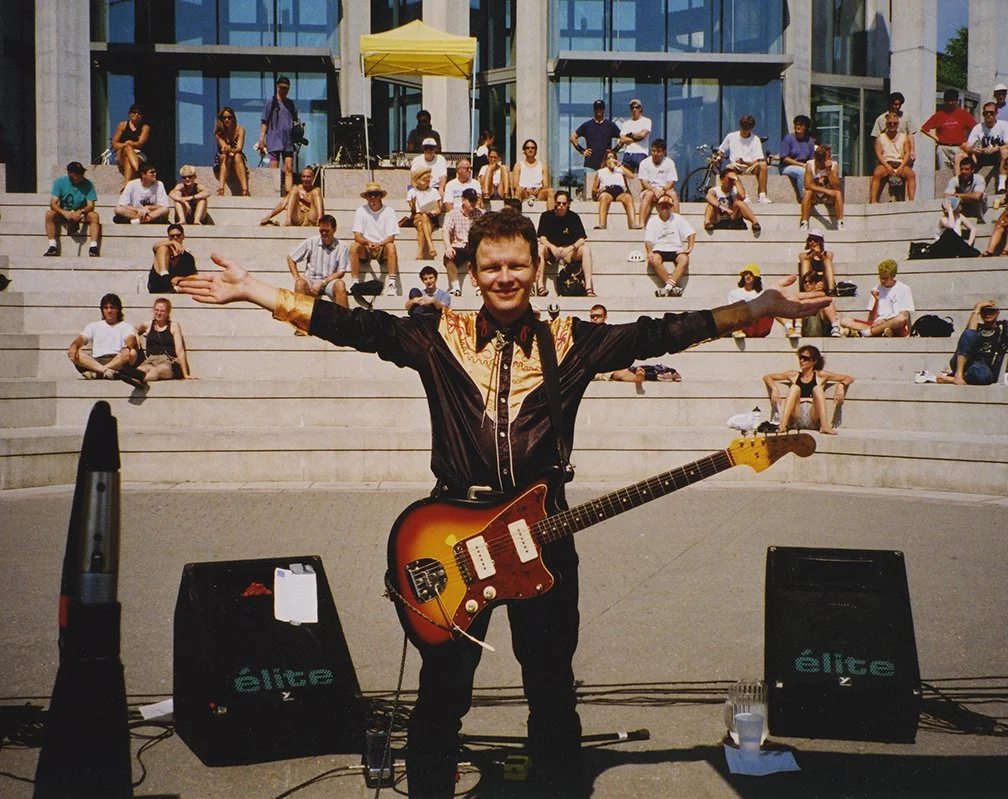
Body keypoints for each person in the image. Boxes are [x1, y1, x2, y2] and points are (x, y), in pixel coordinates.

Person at [175, 210, 829, 799]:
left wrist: (758, 305)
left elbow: (662, 332)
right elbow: (355, 326)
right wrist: (257, 291)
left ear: (536, 266)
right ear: (473, 270)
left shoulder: (569, 339)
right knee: (441, 696)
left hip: (544, 535)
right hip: (453, 533)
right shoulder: (440, 336)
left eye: (517, 263)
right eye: (491, 266)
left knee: (550, 691)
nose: (505, 276)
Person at [763, 345, 852, 435]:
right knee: (795, 387)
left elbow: (849, 378)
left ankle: (824, 425)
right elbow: (767, 377)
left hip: (814, 417)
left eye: (805, 358)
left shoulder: (820, 375)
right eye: (800, 357)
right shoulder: (793, 375)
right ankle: (783, 425)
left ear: (814, 361)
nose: (801, 361)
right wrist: (774, 388)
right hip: (796, 417)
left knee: (817, 388)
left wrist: (841, 386)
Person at [66, 293, 145, 389]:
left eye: (112, 307)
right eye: (106, 308)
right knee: (75, 352)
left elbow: (130, 340)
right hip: (95, 362)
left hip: (116, 360)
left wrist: (127, 347)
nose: (109, 311)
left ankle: (99, 373)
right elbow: (81, 339)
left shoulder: (126, 326)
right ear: (102, 310)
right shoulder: (93, 326)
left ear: (118, 309)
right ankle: (106, 372)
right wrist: (74, 346)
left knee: (131, 353)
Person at [536, 189, 594, 296]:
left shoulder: (574, 217)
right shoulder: (546, 216)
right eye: (558, 203)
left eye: (564, 203)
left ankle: (588, 288)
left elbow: (581, 239)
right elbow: (542, 237)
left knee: (586, 249)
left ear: (568, 204)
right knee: (540, 249)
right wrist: (552, 247)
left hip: (568, 251)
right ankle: (540, 286)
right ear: (554, 203)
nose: (561, 206)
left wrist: (570, 248)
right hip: (551, 251)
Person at [935, 301, 1008, 385]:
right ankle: (958, 374)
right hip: (965, 360)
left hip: (985, 368)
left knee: (983, 377)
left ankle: (951, 378)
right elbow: (968, 333)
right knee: (969, 334)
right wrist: (977, 308)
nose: (988, 314)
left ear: (997, 312)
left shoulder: (1003, 327)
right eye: (984, 311)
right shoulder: (976, 327)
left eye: (991, 311)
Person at [839, 258, 914, 337]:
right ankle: (881, 332)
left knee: (901, 319)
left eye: (885, 278)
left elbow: (904, 316)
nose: (882, 281)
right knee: (845, 321)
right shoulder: (876, 289)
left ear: (893, 275)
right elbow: (871, 319)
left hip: (895, 325)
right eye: (880, 278)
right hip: (876, 324)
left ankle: (869, 332)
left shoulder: (904, 288)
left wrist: (884, 321)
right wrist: (876, 301)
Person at [350, 182, 400, 296]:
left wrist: (379, 244)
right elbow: (357, 236)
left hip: (382, 248)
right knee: (353, 247)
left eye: (375, 195)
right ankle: (355, 283)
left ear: (380, 196)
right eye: (370, 195)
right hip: (366, 247)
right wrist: (368, 242)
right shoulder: (361, 211)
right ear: (366, 197)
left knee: (391, 247)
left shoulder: (389, 211)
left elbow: (391, 237)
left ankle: (392, 284)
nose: (373, 198)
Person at [287, 214, 350, 305]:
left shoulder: (342, 246)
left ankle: (343, 318)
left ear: (334, 230)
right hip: (310, 281)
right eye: (321, 231)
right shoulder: (311, 242)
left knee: (340, 285)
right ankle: (300, 317)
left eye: (327, 231)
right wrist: (297, 278)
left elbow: (341, 272)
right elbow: (291, 258)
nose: (324, 233)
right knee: (300, 283)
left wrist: (322, 282)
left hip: (329, 282)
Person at [44, 161, 101, 257]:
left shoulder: (88, 184)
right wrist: (64, 213)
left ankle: (93, 247)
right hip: (64, 212)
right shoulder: (60, 182)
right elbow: (53, 203)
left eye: (81, 173)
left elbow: (90, 205)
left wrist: (81, 211)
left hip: (81, 213)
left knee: (94, 216)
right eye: (78, 174)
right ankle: (52, 246)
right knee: (49, 214)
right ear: (70, 174)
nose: (81, 175)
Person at [646, 194, 695, 297]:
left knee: (684, 259)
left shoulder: (678, 218)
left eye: (667, 205)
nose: (665, 207)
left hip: (675, 249)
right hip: (659, 248)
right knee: (653, 259)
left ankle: (667, 288)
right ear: (659, 206)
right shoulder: (653, 221)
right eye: (663, 205)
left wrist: (689, 248)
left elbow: (691, 233)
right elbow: (648, 240)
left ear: (671, 206)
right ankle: (673, 286)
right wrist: (649, 251)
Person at [256, 75, 298, 193]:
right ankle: (275, 191)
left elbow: (295, 121)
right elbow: (265, 121)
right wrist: (261, 139)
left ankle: (289, 193)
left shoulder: (290, 104)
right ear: (277, 87)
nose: (284, 90)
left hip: (288, 141)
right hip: (274, 140)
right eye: (282, 87)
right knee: (274, 167)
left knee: (289, 167)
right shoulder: (272, 102)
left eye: (286, 88)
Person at [717, 114, 772, 204]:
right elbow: (721, 150)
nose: (745, 130)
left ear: (751, 128)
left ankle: (762, 196)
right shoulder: (731, 136)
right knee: (729, 167)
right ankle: (744, 195)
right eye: (744, 127)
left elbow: (758, 160)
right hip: (736, 166)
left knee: (763, 165)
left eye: (748, 128)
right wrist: (718, 156)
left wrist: (745, 162)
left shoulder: (755, 139)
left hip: (750, 166)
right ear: (740, 126)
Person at [727, 265, 793, 338]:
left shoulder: (761, 293)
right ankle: (736, 330)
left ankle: (789, 327)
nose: (748, 276)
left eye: (751, 274)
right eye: (746, 273)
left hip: (759, 326)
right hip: (744, 326)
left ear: (756, 278)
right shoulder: (734, 293)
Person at [134, 297, 191, 381]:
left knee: (156, 371)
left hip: (168, 361)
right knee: (139, 369)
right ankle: (138, 379)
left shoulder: (174, 326)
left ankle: (141, 380)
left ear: (168, 312)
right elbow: (134, 329)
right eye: (156, 310)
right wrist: (136, 337)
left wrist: (185, 374)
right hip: (151, 360)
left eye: (162, 311)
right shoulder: (148, 324)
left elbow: (180, 351)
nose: (159, 313)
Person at [920, 88, 976, 171]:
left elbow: (976, 129)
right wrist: (935, 138)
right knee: (943, 173)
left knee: (961, 171)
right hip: (943, 148)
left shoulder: (963, 114)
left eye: (953, 101)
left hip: (959, 148)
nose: (950, 103)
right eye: (948, 101)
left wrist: (969, 142)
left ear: (957, 101)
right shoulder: (939, 114)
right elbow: (924, 129)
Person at [797, 232, 841, 336]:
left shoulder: (827, 254)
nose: (812, 242)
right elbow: (803, 258)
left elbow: (828, 258)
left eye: (815, 240)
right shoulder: (804, 255)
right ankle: (807, 285)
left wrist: (820, 255)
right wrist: (812, 253)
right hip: (810, 284)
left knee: (827, 262)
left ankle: (831, 289)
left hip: (823, 285)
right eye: (810, 240)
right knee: (805, 262)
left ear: (820, 241)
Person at [442, 188, 483, 296]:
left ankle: (480, 287)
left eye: (475, 200)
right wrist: (448, 247)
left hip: (474, 245)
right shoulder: (453, 213)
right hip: (459, 245)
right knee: (448, 257)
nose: (474, 203)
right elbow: (446, 230)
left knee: (482, 257)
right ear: (463, 200)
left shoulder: (480, 214)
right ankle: (456, 288)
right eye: (471, 200)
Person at [869, 112, 916, 203]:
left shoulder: (904, 137)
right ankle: (873, 200)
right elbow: (878, 153)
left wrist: (901, 167)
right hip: (886, 163)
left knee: (911, 175)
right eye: (890, 123)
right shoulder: (880, 138)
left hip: (900, 163)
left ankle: (911, 200)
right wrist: (887, 166)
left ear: (898, 124)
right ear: (886, 124)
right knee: (877, 174)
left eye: (894, 123)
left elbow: (907, 153)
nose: (892, 125)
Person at [962, 102, 1008, 194]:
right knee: (961, 155)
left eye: (991, 113)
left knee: (1004, 151)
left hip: (998, 156)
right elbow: (968, 146)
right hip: (984, 156)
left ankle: (1002, 185)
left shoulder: (1003, 125)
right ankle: (963, 185)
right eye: (985, 113)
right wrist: (973, 150)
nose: (988, 115)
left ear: (996, 114)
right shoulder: (978, 127)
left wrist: (996, 148)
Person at [799, 144, 845, 231]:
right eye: (828, 156)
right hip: (814, 195)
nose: (831, 157)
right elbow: (807, 185)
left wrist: (828, 171)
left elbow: (836, 185)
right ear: (822, 159)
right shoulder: (810, 164)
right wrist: (826, 190)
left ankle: (840, 222)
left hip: (827, 197)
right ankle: (804, 222)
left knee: (838, 193)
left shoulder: (834, 165)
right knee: (807, 193)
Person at [704, 165, 761, 233]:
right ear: (722, 180)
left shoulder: (735, 190)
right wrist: (722, 207)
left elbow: (742, 197)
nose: (731, 182)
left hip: (732, 216)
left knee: (739, 203)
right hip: (717, 217)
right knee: (711, 205)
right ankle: (707, 223)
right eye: (729, 179)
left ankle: (755, 222)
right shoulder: (715, 190)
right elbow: (709, 197)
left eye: (732, 180)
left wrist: (737, 181)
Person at [569, 99, 621, 174]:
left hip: (606, 164)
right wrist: (582, 150)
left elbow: (622, 139)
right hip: (590, 165)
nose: (598, 110)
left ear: (604, 110)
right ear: (594, 110)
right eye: (596, 108)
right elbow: (572, 137)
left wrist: (614, 151)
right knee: (591, 186)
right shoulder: (587, 125)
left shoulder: (610, 125)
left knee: (606, 186)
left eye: (600, 108)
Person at [591, 149, 638, 230]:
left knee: (628, 197)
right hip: (607, 190)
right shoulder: (601, 172)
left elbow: (631, 176)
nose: (611, 160)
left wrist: (620, 165)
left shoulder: (620, 170)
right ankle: (602, 224)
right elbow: (594, 189)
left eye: (612, 157)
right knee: (605, 197)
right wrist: (599, 190)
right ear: (606, 161)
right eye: (609, 158)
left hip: (619, 190)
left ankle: (633, 224)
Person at [637, 139, 679, 226]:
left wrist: (663, 190)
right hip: (649, 189)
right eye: (653, 151)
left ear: (664, 152)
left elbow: (671, 182)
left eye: (658, 151)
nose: (655, 154)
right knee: (649, 194)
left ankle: (678, 222)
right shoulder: (644, 163)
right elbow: (644, 182)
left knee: (673, 194)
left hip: (665, 189)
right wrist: (654, 190)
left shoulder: (669, 163)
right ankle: (641, 223)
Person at [148, 223, 197, 293]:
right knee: (163, 248)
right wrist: (172, 243)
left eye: (178, 235)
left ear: (183, 237)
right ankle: (165, 278)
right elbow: (155, 246)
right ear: (168, 237)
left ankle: (171, 287)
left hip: (174, 285)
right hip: (158, 283)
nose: (175, 238)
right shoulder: (162, 250)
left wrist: (180, 278)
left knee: (186, 283)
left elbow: (193, 277)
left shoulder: (188, 257)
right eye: (172, 236)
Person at [870, 91, 918, 163]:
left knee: (907, 173)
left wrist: (912, 151)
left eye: (899, 104)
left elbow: (910, 135)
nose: (897, 107)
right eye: (895, 104)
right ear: (890, 104)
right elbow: (876, 137)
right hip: (887, 155)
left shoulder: (906, 118)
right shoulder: (881, 119)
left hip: (903, 154)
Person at [111, 104, 151, 187]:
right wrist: (126, 144)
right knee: (127, 148)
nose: (136, 115)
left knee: (128, 161)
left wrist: (131, 144)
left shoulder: (145, 127)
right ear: (129, 114)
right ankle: (139, 171)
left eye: (139, 113)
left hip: (137, 154)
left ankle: (126, 187)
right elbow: (114, 143)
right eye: (134, 112)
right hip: (121, 152)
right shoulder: (123, 125)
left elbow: (140, 144)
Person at [777, 114, 816, 200]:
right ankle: (804, 197)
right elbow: (784, 157)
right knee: (802, 172)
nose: (798, 126)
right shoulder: (788, 138)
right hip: (786, 167)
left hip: (804, 166)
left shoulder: (810, 141)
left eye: (801, 125)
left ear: (806, 127)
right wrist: (800, 164)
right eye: (796, 124)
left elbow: (812, 158)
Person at [407, 167, 442, 260]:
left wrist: (431, 213)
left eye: (428, 180)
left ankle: (420, 254)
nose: (427, 182)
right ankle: (430, 245)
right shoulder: (412, 192)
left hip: (431, 217)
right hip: (417, 216)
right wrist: (413, 204)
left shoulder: (434, 191)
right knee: (422, 217)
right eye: (425, 180)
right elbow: (413, 211)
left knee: (423, 221)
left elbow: (438, 210)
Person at [213, 106, 249, 196]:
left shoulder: (240, 130)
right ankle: (221, 189)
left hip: (237, 155)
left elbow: (239, 147)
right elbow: (224, 147)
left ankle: (245, 190)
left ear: (233, 118)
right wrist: (227, 149)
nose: (227, 120)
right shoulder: (219, 132)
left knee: (237, 156)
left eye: (229, 117)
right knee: (226, 156)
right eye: (224, 118)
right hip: (224, 156)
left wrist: (231, 150)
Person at [512, 139, 554, 208]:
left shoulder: (543, 165)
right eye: (528, 148)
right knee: (518, 190)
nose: (530, 149)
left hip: (538, 193)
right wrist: (525, 189)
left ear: (536, 150)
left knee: (550, 191)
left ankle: (551, 217)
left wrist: (539, 189)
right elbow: (515, 185)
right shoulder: (518, 165)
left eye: (533, 148)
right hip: (524, 193)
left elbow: (546, 185)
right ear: (524, 150)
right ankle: (515, 217)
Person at [618, 98, 651, 172]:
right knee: (627, 178)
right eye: (632, 108)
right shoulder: (626, 123)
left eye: (637, 107)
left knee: (642, 178)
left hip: (641, 153)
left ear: (640, 108)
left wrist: (630, 136)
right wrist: (636, 138)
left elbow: (643, 135)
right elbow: (622, 139)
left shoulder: (646, 121)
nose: (634, 109)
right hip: (628, 153)